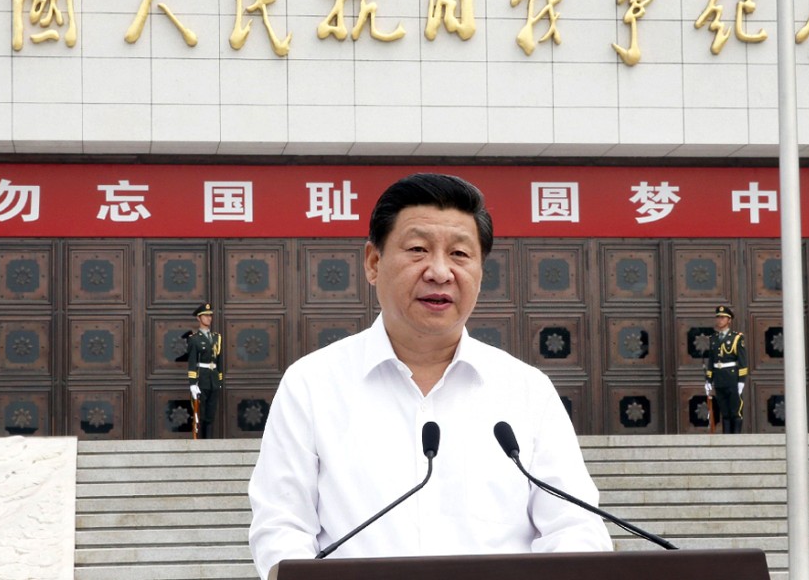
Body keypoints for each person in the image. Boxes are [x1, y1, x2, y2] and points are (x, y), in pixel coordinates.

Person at [248, 173, 612, 577]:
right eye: (418, 249)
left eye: (460, 254)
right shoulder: (312, 384)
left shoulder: (526, 390)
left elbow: (575, 527)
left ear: (480, 272)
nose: (440, 272)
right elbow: (282, 527)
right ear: (373, 262)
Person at [703, 305, 748, 434]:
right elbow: (711, 361)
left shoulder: (737, 337)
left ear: (729, 320)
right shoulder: (713, 339)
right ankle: (726, 438)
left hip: (732, 377)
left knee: (735, 410)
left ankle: (736, 439)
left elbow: (742, 361)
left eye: (723, 317)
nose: (719, 320)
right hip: (719, 378)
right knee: (724, 411)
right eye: (718, 317)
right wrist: (708, 380)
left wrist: (741, 381)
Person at [187, 302, 223, 439]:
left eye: (210, 316)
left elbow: (219, 361)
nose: (209, 318)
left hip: (213, 379)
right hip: (201, 379)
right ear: (198, 318)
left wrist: (219, 379)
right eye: (206, 316)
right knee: (200, 414)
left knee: (210, 413)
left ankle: (209, 442)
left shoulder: (216, 338)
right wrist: (192, 383)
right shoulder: (194, 339)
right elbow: (192, 362)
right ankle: (200, 443)